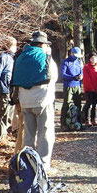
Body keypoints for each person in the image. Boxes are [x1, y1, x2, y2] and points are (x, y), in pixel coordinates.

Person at [12, 31, 58, 174]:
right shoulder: (46, 58)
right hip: (43, 101)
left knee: (29, 135)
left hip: (25, 101)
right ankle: (43, 166)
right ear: (42, 44)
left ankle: (28, 165)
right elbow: (54, 77)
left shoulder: (20, 57)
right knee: (45, 134)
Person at [0, 36, 17, 145]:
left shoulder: (11, 58)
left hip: (10, 89)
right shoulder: (2, 58)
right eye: (14, 46)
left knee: (8, 114)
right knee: (2, 114)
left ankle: (4, 135)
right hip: (3, 88)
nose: (16, 48)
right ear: (9, 46)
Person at [60, 47, 84, 131]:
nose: (77, 57)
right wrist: (73, 77)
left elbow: (81, 71)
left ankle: (79, 123)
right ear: (71, 53)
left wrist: (81, 76)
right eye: (76, 55)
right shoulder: (66, 62)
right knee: (67, 104)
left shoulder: (78, 61)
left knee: (78, 104)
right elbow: (63, 75)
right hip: (68, 85)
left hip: (77, 85)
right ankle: (64, 124)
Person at [82, 52, 97, 126]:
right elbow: (86, 79)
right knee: (89, 104)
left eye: (95, 57)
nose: (93, 59)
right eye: (92, 58)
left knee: (96, 105)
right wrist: (91, 88)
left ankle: (94, 119)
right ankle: (87, 120)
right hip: (89, 89)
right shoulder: (86, 67)